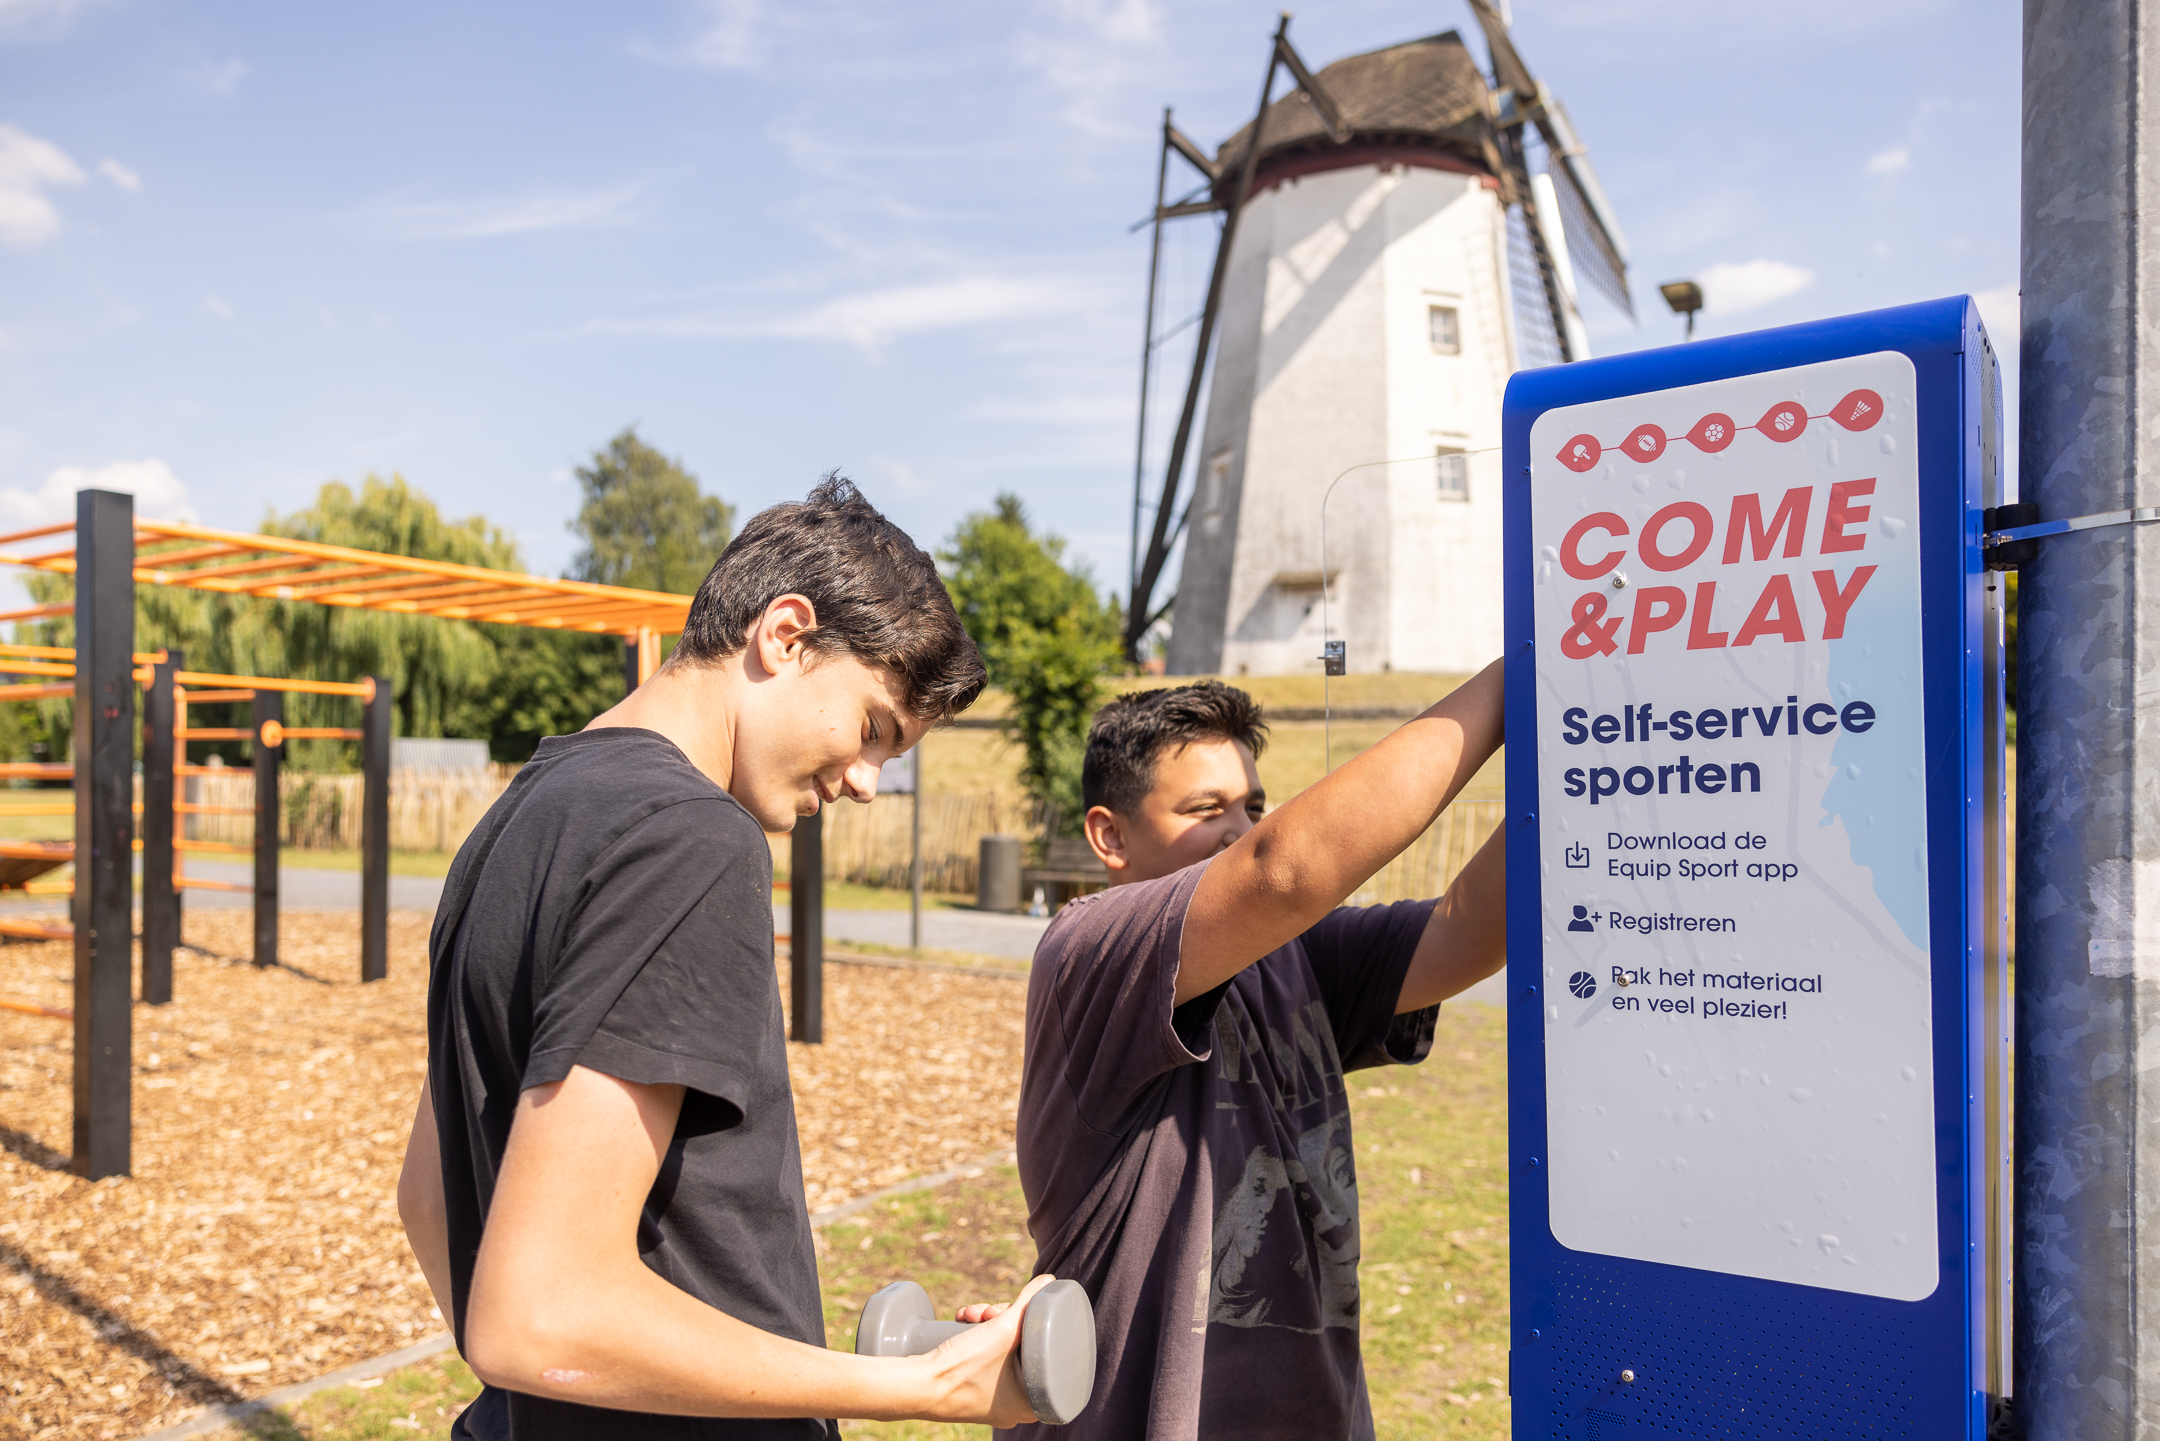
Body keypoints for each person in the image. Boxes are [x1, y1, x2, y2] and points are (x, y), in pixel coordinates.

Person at [396, 477, 1055, 1439]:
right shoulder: (691, 838)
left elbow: (430, 1194)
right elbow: (537, 1312)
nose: (869, 782)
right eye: (873, 727)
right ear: (784, 635)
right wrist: (929, 1388)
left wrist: (545, 1394)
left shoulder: (518, 815)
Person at [1012, 667, 1506, 1439]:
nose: (1238, 827)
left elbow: (1470, 931)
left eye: (1252, 805)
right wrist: (1524, 666)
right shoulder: (1089, 950)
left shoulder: (1295, 956)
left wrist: (1580, 748)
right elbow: (1283, 870)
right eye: (1206, 808)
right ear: (1109, 835)